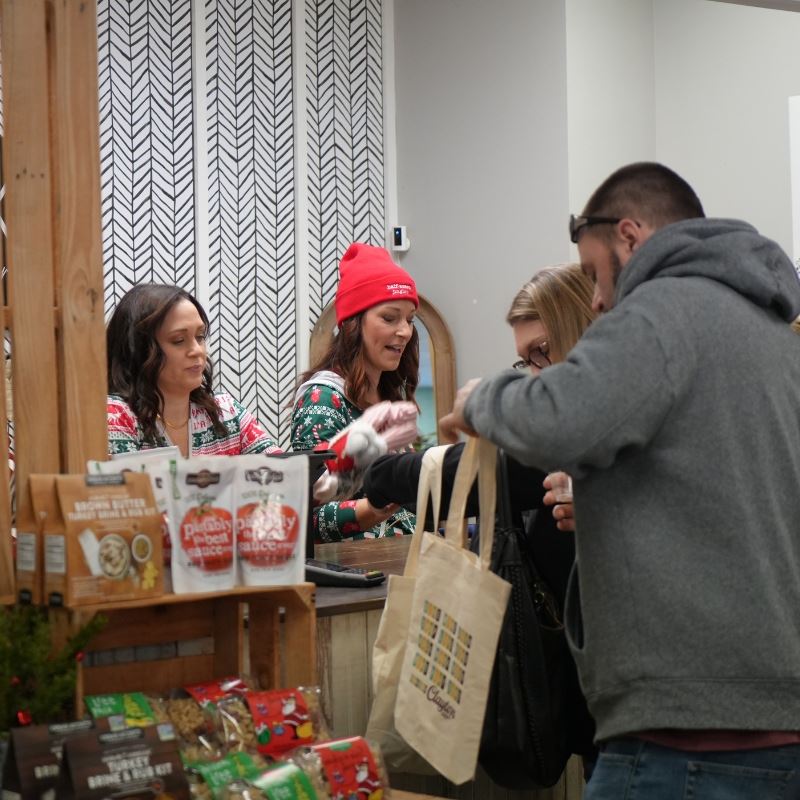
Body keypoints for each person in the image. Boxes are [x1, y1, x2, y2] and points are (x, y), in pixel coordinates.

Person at [441, 162, 800, 798]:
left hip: (685, 736)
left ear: (630, 238)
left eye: (592, 274)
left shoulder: (663, 306)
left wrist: (479, 400)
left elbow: (560, 416)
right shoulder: (770, 332)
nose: (600, 300)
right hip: (772, 722)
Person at [363, 263, 597, 771]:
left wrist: (379, 474)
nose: (535, 374)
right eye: (525, 361)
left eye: (542, 352)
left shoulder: (589, 428)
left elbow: (474, 470)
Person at [291, 242, 419, 542]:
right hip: (357, 579)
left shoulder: (388, 399)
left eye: (410, 319)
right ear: (353, 324)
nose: (404, 331)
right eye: (390, 318)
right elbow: (308, 517)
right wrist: (372, 509)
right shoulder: (323, 400)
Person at [107, 283, 281, 457]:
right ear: (139, 349)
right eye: (178, 340)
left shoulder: (225, 410)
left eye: (200, 337)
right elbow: (128, 484)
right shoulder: (116, 415)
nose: (197, 350)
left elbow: (283, 473)